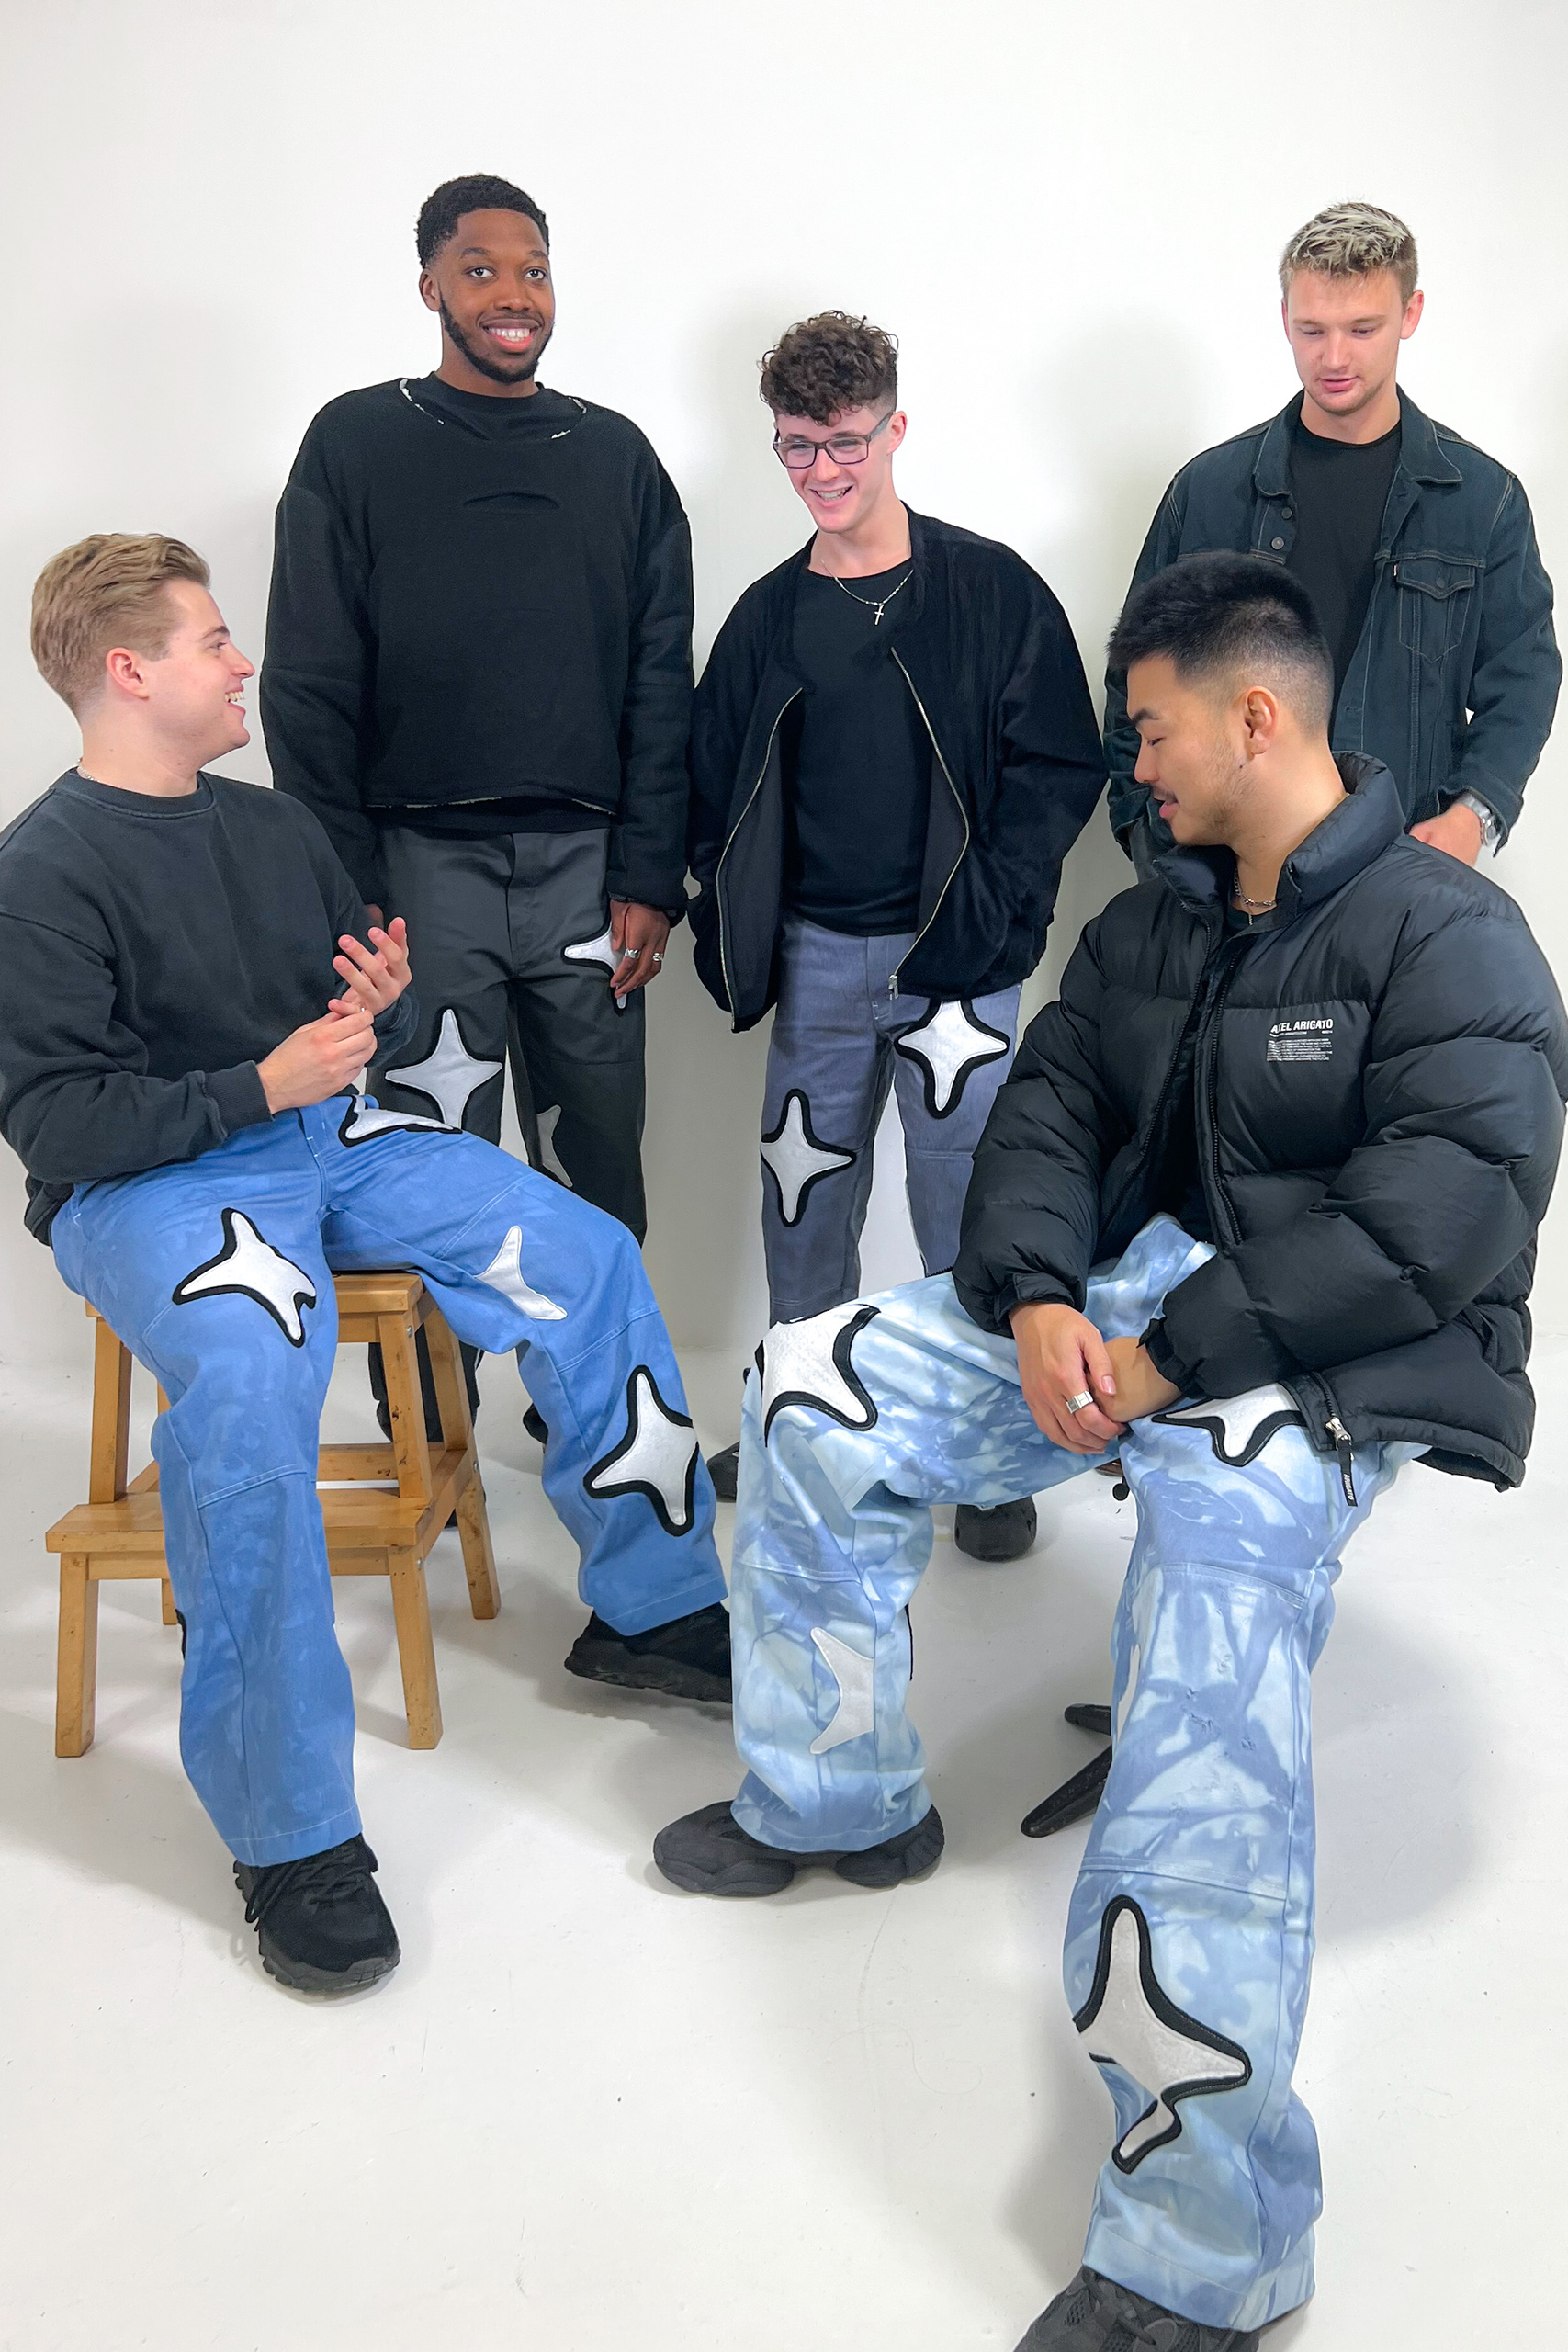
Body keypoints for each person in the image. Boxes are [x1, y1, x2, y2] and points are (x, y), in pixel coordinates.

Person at [655, 553, 1568, 2347]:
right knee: (812, 1382)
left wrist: (1171, 1356)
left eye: (1149, 731)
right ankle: (836, 1796)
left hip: (1333, 1352)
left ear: (1255, 716)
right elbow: (1050, 1112)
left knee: (1213, 1568)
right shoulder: (1147, 922)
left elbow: (1439, 1221)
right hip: (1127, 1312)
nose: (1130, 766)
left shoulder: (1450, 934)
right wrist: (1032, 1298)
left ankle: (1204, 2249)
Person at [1, 535, 728, 1997]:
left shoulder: (271, 828)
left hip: (327, 1138)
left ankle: (653, 1609)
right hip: (151, 1182)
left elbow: (349, 1027)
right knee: (253, 1371)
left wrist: (381, 1010)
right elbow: (53, 1119)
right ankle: (290, 1834)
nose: (241, 663)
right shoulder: (41, 869)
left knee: (582, 1252)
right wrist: (257, 1086)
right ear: (128, 670)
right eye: (212, 640)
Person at [262, 174, 691, 1439]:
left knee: (598, 1143)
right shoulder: (355, 443)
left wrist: (652, 872)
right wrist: (347, 890)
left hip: (588, 870)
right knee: (421, 1154)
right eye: (483, 268)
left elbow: (660, 677)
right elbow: (307, 683)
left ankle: (600, 1415)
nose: (514, 294)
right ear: (430, 286)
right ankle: (429, 1420)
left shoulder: (616, 456)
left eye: (534, 269)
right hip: (416, 867)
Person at [687, 311, 1104, 1562]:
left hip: (956, 967)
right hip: (816, 956)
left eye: (846, 443)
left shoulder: (990, 592)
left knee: (969, 1210)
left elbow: (1058, 767)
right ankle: (804, 1426)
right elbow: (710, 785)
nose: (823, 470)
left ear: (895, 429)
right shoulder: (767, 617)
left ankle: (986, 1455)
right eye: (798, 446)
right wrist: (726, 918)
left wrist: (995, 912)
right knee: (802, 1206)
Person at [1105, 201, 1560, 873]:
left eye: (1362, 329)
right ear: (1283, 317)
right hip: (1220, 877)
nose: (1334, 357)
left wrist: (1473, 816)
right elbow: (1134, 681)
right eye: (1311, 330)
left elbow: (1521, 683)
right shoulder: (1208, 491)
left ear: (1411, 314)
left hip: (1396, 869)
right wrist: (1149, 837)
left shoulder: (1481, 501)